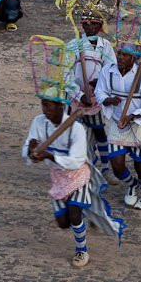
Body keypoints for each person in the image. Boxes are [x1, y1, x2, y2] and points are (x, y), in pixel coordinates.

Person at [24, 94, 124, 268]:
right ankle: (88, 211)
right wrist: (31, 152)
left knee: (74, 211)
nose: (45, 110)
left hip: (78, 175)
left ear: (61, 107)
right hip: (57, 177)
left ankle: (81, 250)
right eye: (43, 105)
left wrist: (49, 155)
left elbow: (76, 160)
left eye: (49, 106)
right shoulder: (39, 122)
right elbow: (28, 145)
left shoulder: (77, 128)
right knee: (63, 223)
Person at [96, 41, 141, 211]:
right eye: (119, 53)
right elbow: (99, 91)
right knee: (117, 165)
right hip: (116, 123)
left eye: (125, 55)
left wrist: (132, 116)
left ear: (134, 58)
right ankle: (132, 184)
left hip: (137, 125)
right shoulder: (108, 71)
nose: (120, 57)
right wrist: (109, 100)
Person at [64, 11, 119, 174]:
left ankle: (105, 167)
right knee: (73, 130)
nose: (90, 28)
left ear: (100, 27)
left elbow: (111, 69)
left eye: (94, 24)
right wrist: (79, 94)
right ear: (82, 25)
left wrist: (99, 83)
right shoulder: (74, 45)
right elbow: (65, 73)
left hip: (97, 95)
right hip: (76, 96)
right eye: (86, 24)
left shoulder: (106, 46)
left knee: (99, 129)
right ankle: (77, 164)